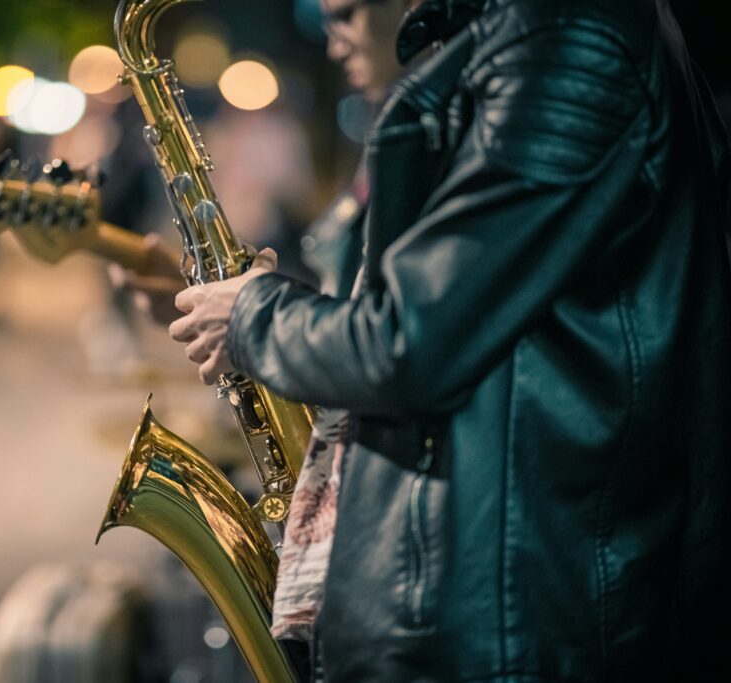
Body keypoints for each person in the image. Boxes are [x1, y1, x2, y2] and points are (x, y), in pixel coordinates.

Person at [167, 1, 731, 682]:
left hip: (510, 627)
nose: (327, 15)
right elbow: (451, 319)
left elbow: (405, 341)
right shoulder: (533, 37)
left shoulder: (572, 39)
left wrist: (254, 316)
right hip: (501, 601)